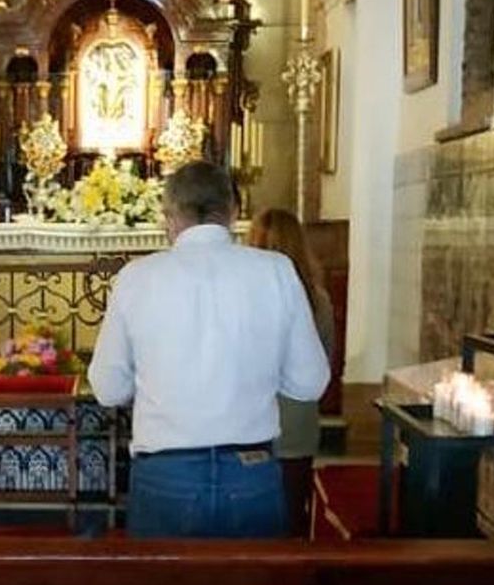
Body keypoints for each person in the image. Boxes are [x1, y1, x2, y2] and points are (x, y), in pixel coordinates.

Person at [88, 162, 330, 538]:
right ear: (234, 210)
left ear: (169, 216)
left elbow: (107, 388)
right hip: (250, 469)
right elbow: (310, 382)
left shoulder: (137, 278)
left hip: (166, 472)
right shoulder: (277, 271)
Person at [248, 207, 337, 537]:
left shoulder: (245, 298)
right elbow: (325, 363)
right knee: (290, 518)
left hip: (252, 424)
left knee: (251, 525)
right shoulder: (319, 300)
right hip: (298, 425)